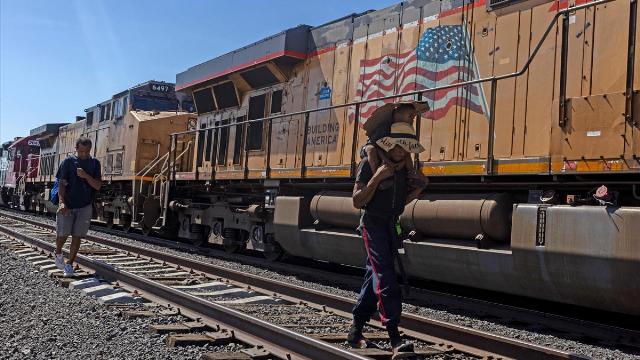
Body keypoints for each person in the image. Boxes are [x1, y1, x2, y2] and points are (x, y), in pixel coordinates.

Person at [349, 122, 427, 359]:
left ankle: (355, 331)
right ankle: (395, 337)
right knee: (385, 276)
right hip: (373, 225)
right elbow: (357, 201)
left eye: (406, 147)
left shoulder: (403, 170)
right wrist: (378, 177)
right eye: (398, 146)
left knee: (373, 276)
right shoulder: (368, 165)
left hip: (391, 226)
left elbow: (401, 202)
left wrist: (420, 187)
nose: (402, 151)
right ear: (388, 144)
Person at [54, 137, 102, 277]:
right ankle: (57, 252)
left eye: (87, 151)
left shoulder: (95, 164)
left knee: (77, 236)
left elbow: (98, 185)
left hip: (85, 206)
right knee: (62, 235)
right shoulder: (68, 162)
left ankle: (69, 264)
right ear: (76, 149)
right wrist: (62, 202)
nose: (84, 154)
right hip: (67, 204)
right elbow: (61, 184)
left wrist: (86, 175)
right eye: (81, 151)